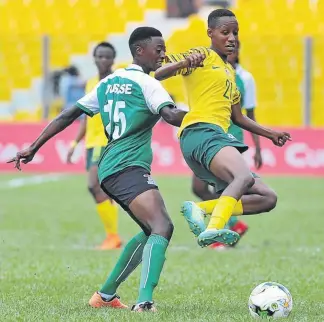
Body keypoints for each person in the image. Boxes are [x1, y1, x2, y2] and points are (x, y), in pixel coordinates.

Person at [8, 27, 203, 313]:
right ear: (140, 51)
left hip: (110, 165)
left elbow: (67, 114)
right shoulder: (148, 84)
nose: (162, 55)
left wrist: (34, 147)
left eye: (164, 49)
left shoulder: (110, 82)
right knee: (162, 226)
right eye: (158, 49)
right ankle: (145, 303)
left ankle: (106, 295)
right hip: (126, 165)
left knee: (152, 230)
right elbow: (171, 115)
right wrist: (207, 117)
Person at [155, 8, 291, 248]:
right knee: (243, 177)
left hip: (216, 135)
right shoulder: (201, 56)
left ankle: (201, 209)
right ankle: (215, 227)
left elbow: (238, 117)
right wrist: (186, 62)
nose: (232, 38)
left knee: (267, 197)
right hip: (201, 131)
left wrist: (271, 134)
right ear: (210, 33)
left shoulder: (230, 73)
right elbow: (159, 73)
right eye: (225, 32)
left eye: (235, 33)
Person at [190, 40, 261, 250]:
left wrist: (258, 147)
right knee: (199, 187)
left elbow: (250, 114)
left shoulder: (245, 78)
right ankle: (233, 224)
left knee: (225, 187)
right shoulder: (211, 70)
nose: (231, 49)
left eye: (235, 46)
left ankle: (219, 233)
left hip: (229, 137)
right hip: (209, 135)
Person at [66, 42, 121, 250]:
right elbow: (85, 117)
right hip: (91, 142)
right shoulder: (90, 83)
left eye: (107, 57)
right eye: (100, 56)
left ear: (113, 60)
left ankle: (113, 236)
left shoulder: (117, 82)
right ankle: (112, 235)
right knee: (101, 190)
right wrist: (74, 143)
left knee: (93, 185)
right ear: (94, 58)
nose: (103, 60)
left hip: (106, 142)